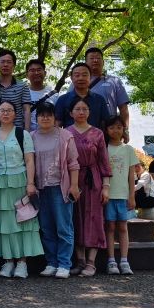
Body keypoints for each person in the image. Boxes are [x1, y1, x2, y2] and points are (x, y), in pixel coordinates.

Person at [0, 102, 42, 279]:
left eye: (9, 110)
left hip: (20, 181)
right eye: (2, 110)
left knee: (22, 221)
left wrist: (30, 183)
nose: (5, 113)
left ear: (15, 114)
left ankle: (22, 262)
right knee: (4, 224)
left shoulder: (22, 134)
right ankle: (8, 261)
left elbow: (29, 160)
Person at [30, 103, 80, 279]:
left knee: (64, 227)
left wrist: (74, 185)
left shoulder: (65, 136)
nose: (45, 118)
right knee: (46, 227)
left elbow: (74, 163)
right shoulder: (31, 136)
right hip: (40, 189)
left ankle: (64, 264)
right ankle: (51, 262)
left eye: (49, 115)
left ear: (54, 117)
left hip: (60, 187)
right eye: (41, 115)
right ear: (36, 118)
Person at [67, 97, 112, 277]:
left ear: (89, 112)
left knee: (94, 218)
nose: (81, 112)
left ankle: (91, 262)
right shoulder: (66, 133)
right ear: (71, 113)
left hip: (94, 180)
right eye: (77, 109)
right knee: (75, 218)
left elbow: (104, 161)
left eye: (84, 109)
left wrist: (106, 186)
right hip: (73, 181)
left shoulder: (98, 133)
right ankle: (80, 261)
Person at [104, 116, 137, 275]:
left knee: (123, 227)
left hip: (123, 195)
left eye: (119, 127)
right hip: (108, 196)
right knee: (110, 227)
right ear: (106, 130)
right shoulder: (104, 148)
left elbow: (131, 175)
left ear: (124, 129)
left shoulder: (128, 149)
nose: (115, 130)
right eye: (111, 127)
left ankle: (124, 260)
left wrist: (132, 196)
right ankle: (111, 261)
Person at [83, 47, 131, 143]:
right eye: (91, 58)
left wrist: (125, 130)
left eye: (98, 58)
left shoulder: (114, 81)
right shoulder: (79, 81)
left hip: (110, 129)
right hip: (85, 128)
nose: (95, 60)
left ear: (103, 62)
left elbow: (123, 108)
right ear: (86, 62)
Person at [54, 63, 110, 129]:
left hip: (95, 135)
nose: (81, 78)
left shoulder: (99, 100)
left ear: (90, 77)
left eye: (84, 75)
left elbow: (105, 124)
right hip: (69, 135)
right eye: (77, 75)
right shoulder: (63, 100)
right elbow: (57, 124)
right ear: (71, 78)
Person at [0, 50, 32, 130]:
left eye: (9, 62)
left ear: (14, 65)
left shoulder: (22, 86)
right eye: (2, 62)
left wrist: (27, 132)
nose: (5, 65)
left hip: (17, 130)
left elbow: (26, 110)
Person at [26, 59, 57, 131]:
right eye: (32, 70)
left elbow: (58, 118)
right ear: (27, 75)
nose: (36, 73)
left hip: (49, 134)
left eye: (39, 70)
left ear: (45, 73)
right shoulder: (23, 93)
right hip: (28, 135)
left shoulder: (54, 94)